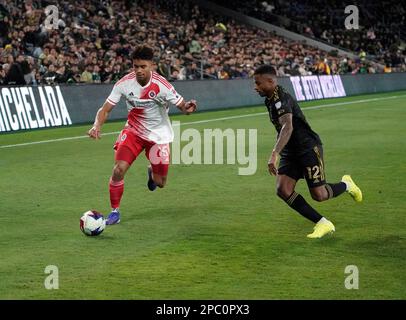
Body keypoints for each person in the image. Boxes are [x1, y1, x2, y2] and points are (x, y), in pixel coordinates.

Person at [88, 45, 197, 225]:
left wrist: (189, 108)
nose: (139, 70)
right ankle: (115, 211)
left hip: (158, 136)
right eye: (136, 66)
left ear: (152, 66)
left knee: (160, 183)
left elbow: (182, 106)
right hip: (133, 132)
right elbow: (106, 108)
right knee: (118, 170)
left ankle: (151, 173)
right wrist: (96, 125)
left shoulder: (162, 86)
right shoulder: (124, 83)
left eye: (143, 66)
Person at [253, 65, 362, 238]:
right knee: (283, 189)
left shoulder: (281, 98)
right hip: (291, 151)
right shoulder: (270, 99)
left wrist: (274, 153)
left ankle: (347, 185)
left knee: (319, 195)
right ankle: (323, 223)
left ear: (271, 81)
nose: (255, 87)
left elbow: (287, 126)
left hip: (307, 148)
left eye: (258, 83)